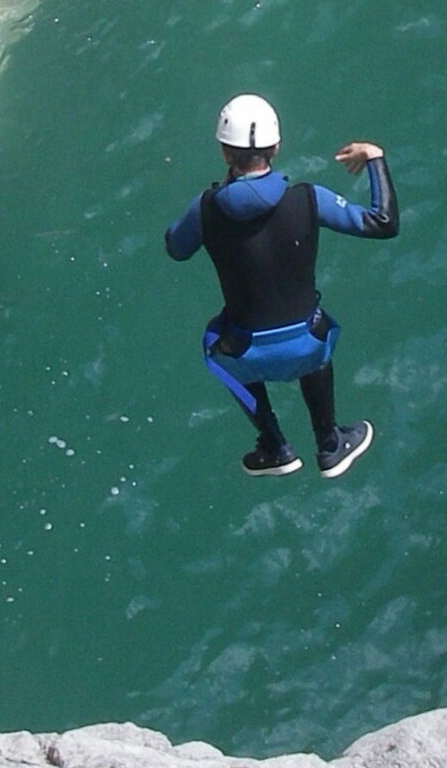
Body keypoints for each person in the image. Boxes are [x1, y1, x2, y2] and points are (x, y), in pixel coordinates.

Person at [165, 95, 398, 480]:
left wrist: (204, 211)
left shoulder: (206, 208)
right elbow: (384, 222)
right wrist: (374, 157)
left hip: (247, 353)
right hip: (309, 343)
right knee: (311, 330)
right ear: (276, 147)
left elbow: (176, 248)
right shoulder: (308, 198)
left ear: (225, 152)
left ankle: (274, 447)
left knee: (223, 338)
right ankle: (329, 444)